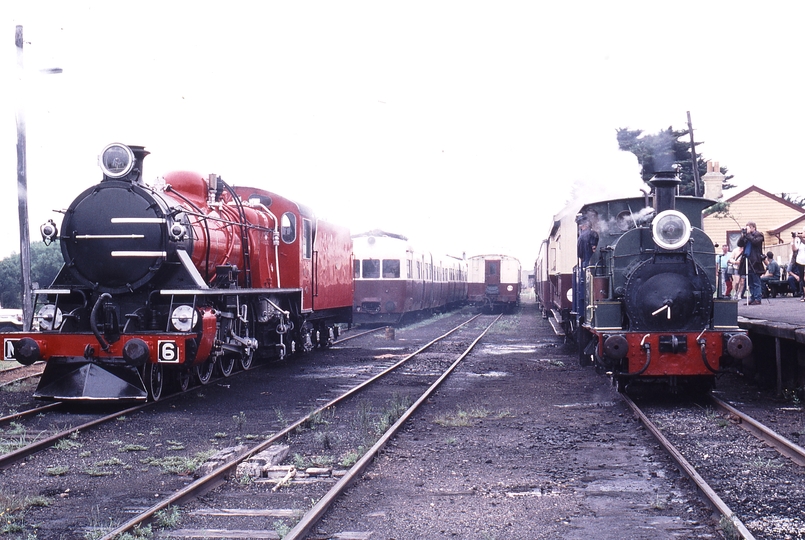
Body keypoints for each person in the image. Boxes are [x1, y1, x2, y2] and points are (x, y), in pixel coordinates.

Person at [737, 221, 765, 305]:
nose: (747, 230)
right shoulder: (747, 236)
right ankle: (752, 297)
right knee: (750, 282)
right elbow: (739, 244)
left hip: (755, 261)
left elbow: (755, 242)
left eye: (748, 228)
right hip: (747, 260)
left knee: (756, 281)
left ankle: (757, 298)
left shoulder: (759, 235)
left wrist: (748, 234)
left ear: (753, 227)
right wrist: (743, 236)